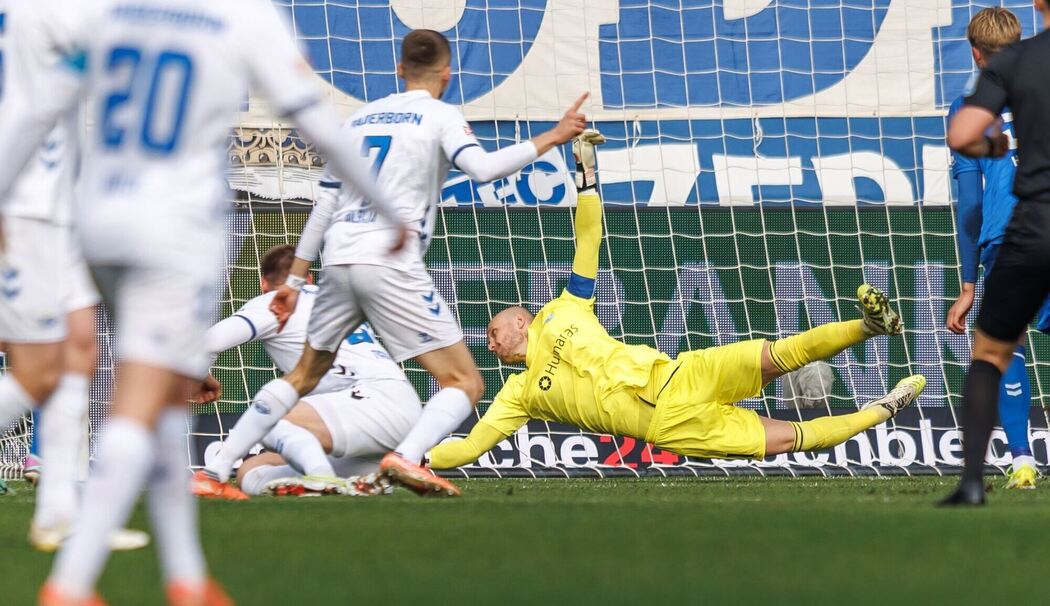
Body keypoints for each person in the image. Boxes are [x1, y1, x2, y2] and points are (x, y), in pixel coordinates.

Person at [0, 1, 408, 603]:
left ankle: (187, 578)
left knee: (162, 398)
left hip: (95, 217)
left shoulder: (116, 12)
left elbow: (39, 107)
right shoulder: (242, 15)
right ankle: (71, 582)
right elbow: (317, 124)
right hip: (173, 228)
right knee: (141, 399)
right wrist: (386, 204)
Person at [194, 29, 588, 499]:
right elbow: (483, 169)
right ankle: (406, 455)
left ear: (399, 70)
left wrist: (295, 280)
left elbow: (324, 205)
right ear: (446, 74)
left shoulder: (359, 119)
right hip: (389, 259)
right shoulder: (440, 115)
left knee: (301, 376)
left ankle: (212, 474)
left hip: (338, 258)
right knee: (464, 381)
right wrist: (556, 135)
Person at [428, 130, 926, 471]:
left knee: (775, 355)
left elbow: (588, 240)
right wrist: (418, 458)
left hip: (678, 372)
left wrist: (586, 174)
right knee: (789, 438)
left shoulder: (564, 308)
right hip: (671, 423)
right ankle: (884, 408)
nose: (490, 345)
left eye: (493, 332)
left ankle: (869, 327)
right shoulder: (518, 395)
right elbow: (471, 447)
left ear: (521, 320)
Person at [0, 0, 148, 553]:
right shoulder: (42, 13)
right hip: (23, 206)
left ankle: (60, 512)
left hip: (59, 206)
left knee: (81, 347)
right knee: (38, 371)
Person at [202, 245, 420, 497]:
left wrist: (201, 377)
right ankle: (348, 484)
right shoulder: (334, 298)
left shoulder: (274, 302)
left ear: (263, 283)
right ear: (309, 278)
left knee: (265, 417)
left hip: (368, 402)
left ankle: (321, 478)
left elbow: (209, 342)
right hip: (399, 409)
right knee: (251, 470)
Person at [942, 0, 1050, 506]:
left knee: (998, 350)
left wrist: (966, 285)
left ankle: (1020, 460)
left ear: (975, 53)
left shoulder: (970, 108)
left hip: (1011, 237)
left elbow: (970, 203)